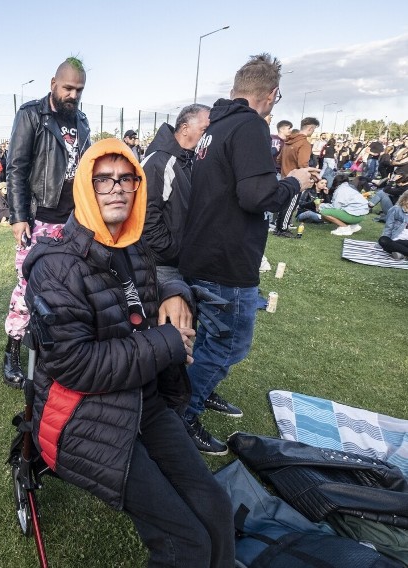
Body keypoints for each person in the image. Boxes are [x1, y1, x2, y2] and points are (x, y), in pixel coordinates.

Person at [24, 138, 234, 567]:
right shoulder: (54, 267)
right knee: (186, 543)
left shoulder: (134, 246)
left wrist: (177, 294)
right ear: (85, 187)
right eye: (104, 179)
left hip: (143, 399)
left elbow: (152, 286)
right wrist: (168, 344)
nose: (117, 188)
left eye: (127, 178)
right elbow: (75, 366)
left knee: (216, 508)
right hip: (83, 415)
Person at [179, 53, 317, 454]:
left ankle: (196, 395)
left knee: (206, 341)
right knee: (227, 346)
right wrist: (293, 182)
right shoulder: (250, 126)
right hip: (226, 261)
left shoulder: (213, 128)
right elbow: (256, 196)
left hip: (203, 253)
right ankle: (183, 414)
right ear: (272, 95)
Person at [2, 57, 89, 388]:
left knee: (66, 287)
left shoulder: (81, 120)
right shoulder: (31, 115)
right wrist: (18, 216)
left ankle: (56, 353)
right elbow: (17, 167)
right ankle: (12, 352)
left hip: (72, 221)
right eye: (68, 88)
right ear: (53, 83)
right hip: (38, 219)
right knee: (27, 288)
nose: (73, 95)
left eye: (79, 90)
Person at [141, 104, 210, 281]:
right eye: (205, 129)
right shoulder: (160, 162)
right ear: (185, 128)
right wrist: (173, 250)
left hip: (181, 261)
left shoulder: (190, 159)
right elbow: (146, 219)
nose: (209, 135)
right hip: (162, 265)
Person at [275, 116, 320, 237]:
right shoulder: (304, 143)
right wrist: (314, 176)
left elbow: (278, 159)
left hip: (284, 176)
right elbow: (303, 164)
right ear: (310, 128)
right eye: (314, 129)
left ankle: (278, 227)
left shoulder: (288, 141)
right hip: (296, 179)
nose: (313, 132)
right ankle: (283, 229)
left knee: (284, 203)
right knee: (291, 204)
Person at [379, 190, 408, 260]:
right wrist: (387, 238)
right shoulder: (396, 209)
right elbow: (388, 227)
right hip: (396, 239)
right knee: (383, 240)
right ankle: (402, 252)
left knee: (389, 247)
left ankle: (401, 254)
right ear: (405, 199)